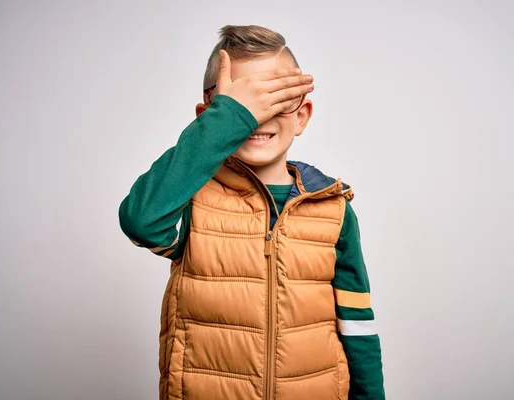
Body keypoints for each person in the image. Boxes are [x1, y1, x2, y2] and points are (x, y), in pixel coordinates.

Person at [119, 24, 385, 400]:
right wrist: (225, 121)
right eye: (244, 106)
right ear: (210, 117)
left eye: (274, 99)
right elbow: (140, 221)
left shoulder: (333, 208)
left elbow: (357, 327)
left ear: (302, 115)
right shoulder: (191, 199)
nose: (257, 118)